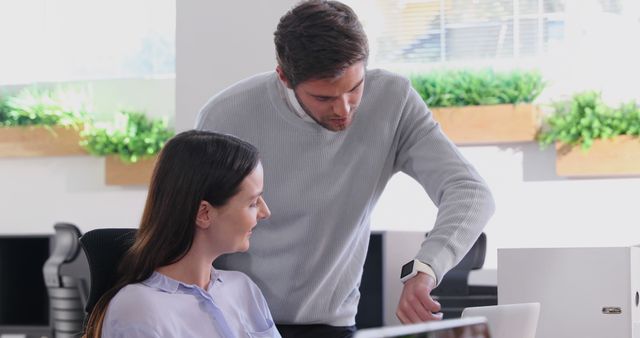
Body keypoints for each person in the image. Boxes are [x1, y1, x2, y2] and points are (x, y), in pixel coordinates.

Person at [195, 1, 495, 337]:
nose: (344, 109)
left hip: (334, 326)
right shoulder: (225, 115)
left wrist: (426, 269)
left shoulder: (393, 101)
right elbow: (191, 225)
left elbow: (469, 192)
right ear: (283, 76)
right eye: (323, 98)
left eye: (354, 88)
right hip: (235, 325)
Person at [83, 130, 281, 338]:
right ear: (204, 213)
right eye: (252, 203)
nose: (265, 212)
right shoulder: (138, 308)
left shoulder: (243, 289)